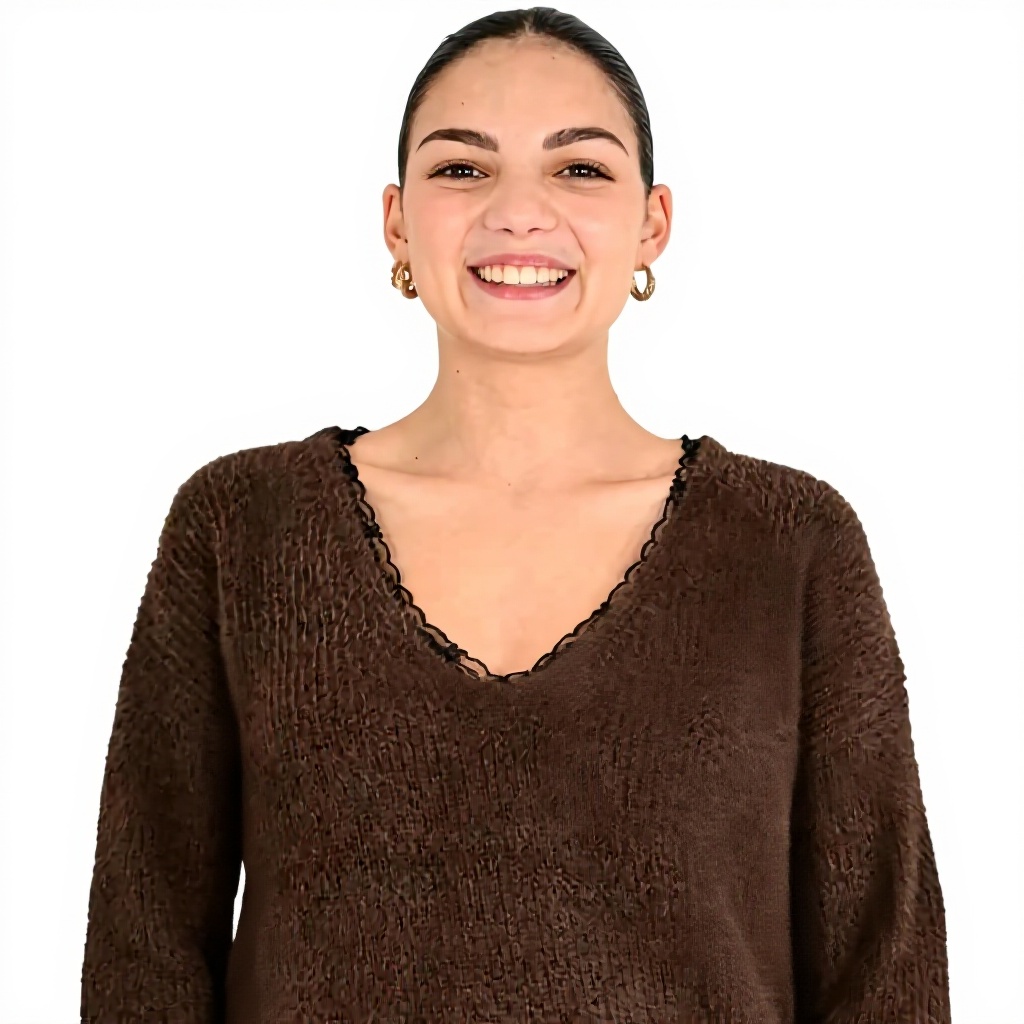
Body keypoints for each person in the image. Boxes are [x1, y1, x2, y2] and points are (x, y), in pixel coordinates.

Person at [80, 8, 951, 1023]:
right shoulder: (242, 530)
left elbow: (884, 970)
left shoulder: (789, 544)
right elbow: (143, 954)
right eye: (463, 168)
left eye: (579, 169)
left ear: (652, 223)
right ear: (397, 221)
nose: (520, 213)